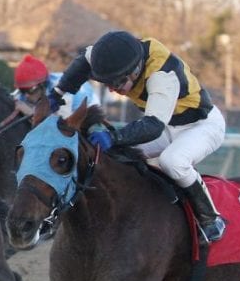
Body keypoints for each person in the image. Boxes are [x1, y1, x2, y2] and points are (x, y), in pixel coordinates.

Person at [49, 30, 226, 242]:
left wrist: (114, 137)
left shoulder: (162, 75)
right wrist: (58, 92)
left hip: (201, 126)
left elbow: (152, 127)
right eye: (109, 84)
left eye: (118, 83)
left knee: (172, 161)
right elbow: (82, 63)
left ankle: (210, 218)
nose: (114, 90)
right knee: (115, 157)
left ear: (135, 70)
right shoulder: (113, 55)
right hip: (168, 124)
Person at [13, 54, 96, 118]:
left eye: (30, 89)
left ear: (43, 84)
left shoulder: (62, 88)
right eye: (22, 90)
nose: (26, 95)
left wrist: (30, 113)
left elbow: (62, 126)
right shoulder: (20, 96)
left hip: (88, 107)